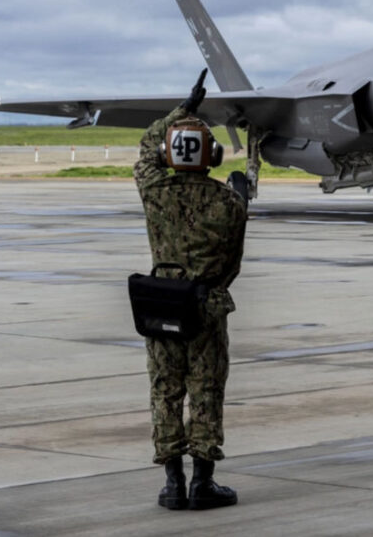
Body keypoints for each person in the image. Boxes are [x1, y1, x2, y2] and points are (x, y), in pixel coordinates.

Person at [133, 70, 248, 510]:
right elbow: (232, 263)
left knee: (165, 390)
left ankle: (172, 484)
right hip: (206, 306)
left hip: (161, 302)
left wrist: (183, 109)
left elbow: (147, 146)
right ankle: (203, 482)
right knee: (205, 392)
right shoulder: (229, 202)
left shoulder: (153, 189)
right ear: (212, 156)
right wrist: (209, 287)